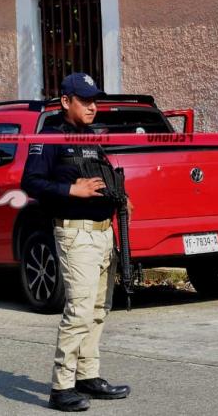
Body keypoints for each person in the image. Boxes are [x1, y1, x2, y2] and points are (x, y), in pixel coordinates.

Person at [21, 73, 131, 412]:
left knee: (99, 310)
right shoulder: (50, 137)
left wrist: (120, 196)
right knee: (79, 312)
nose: (93, 106)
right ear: (66, 101)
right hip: (76, 233)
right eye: (85, 100)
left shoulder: (90, 137)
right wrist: (71, 190)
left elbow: (101, 177)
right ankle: (62, 386)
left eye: (94, 100)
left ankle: (88, 376)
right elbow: (31, 182)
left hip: (102, 233)